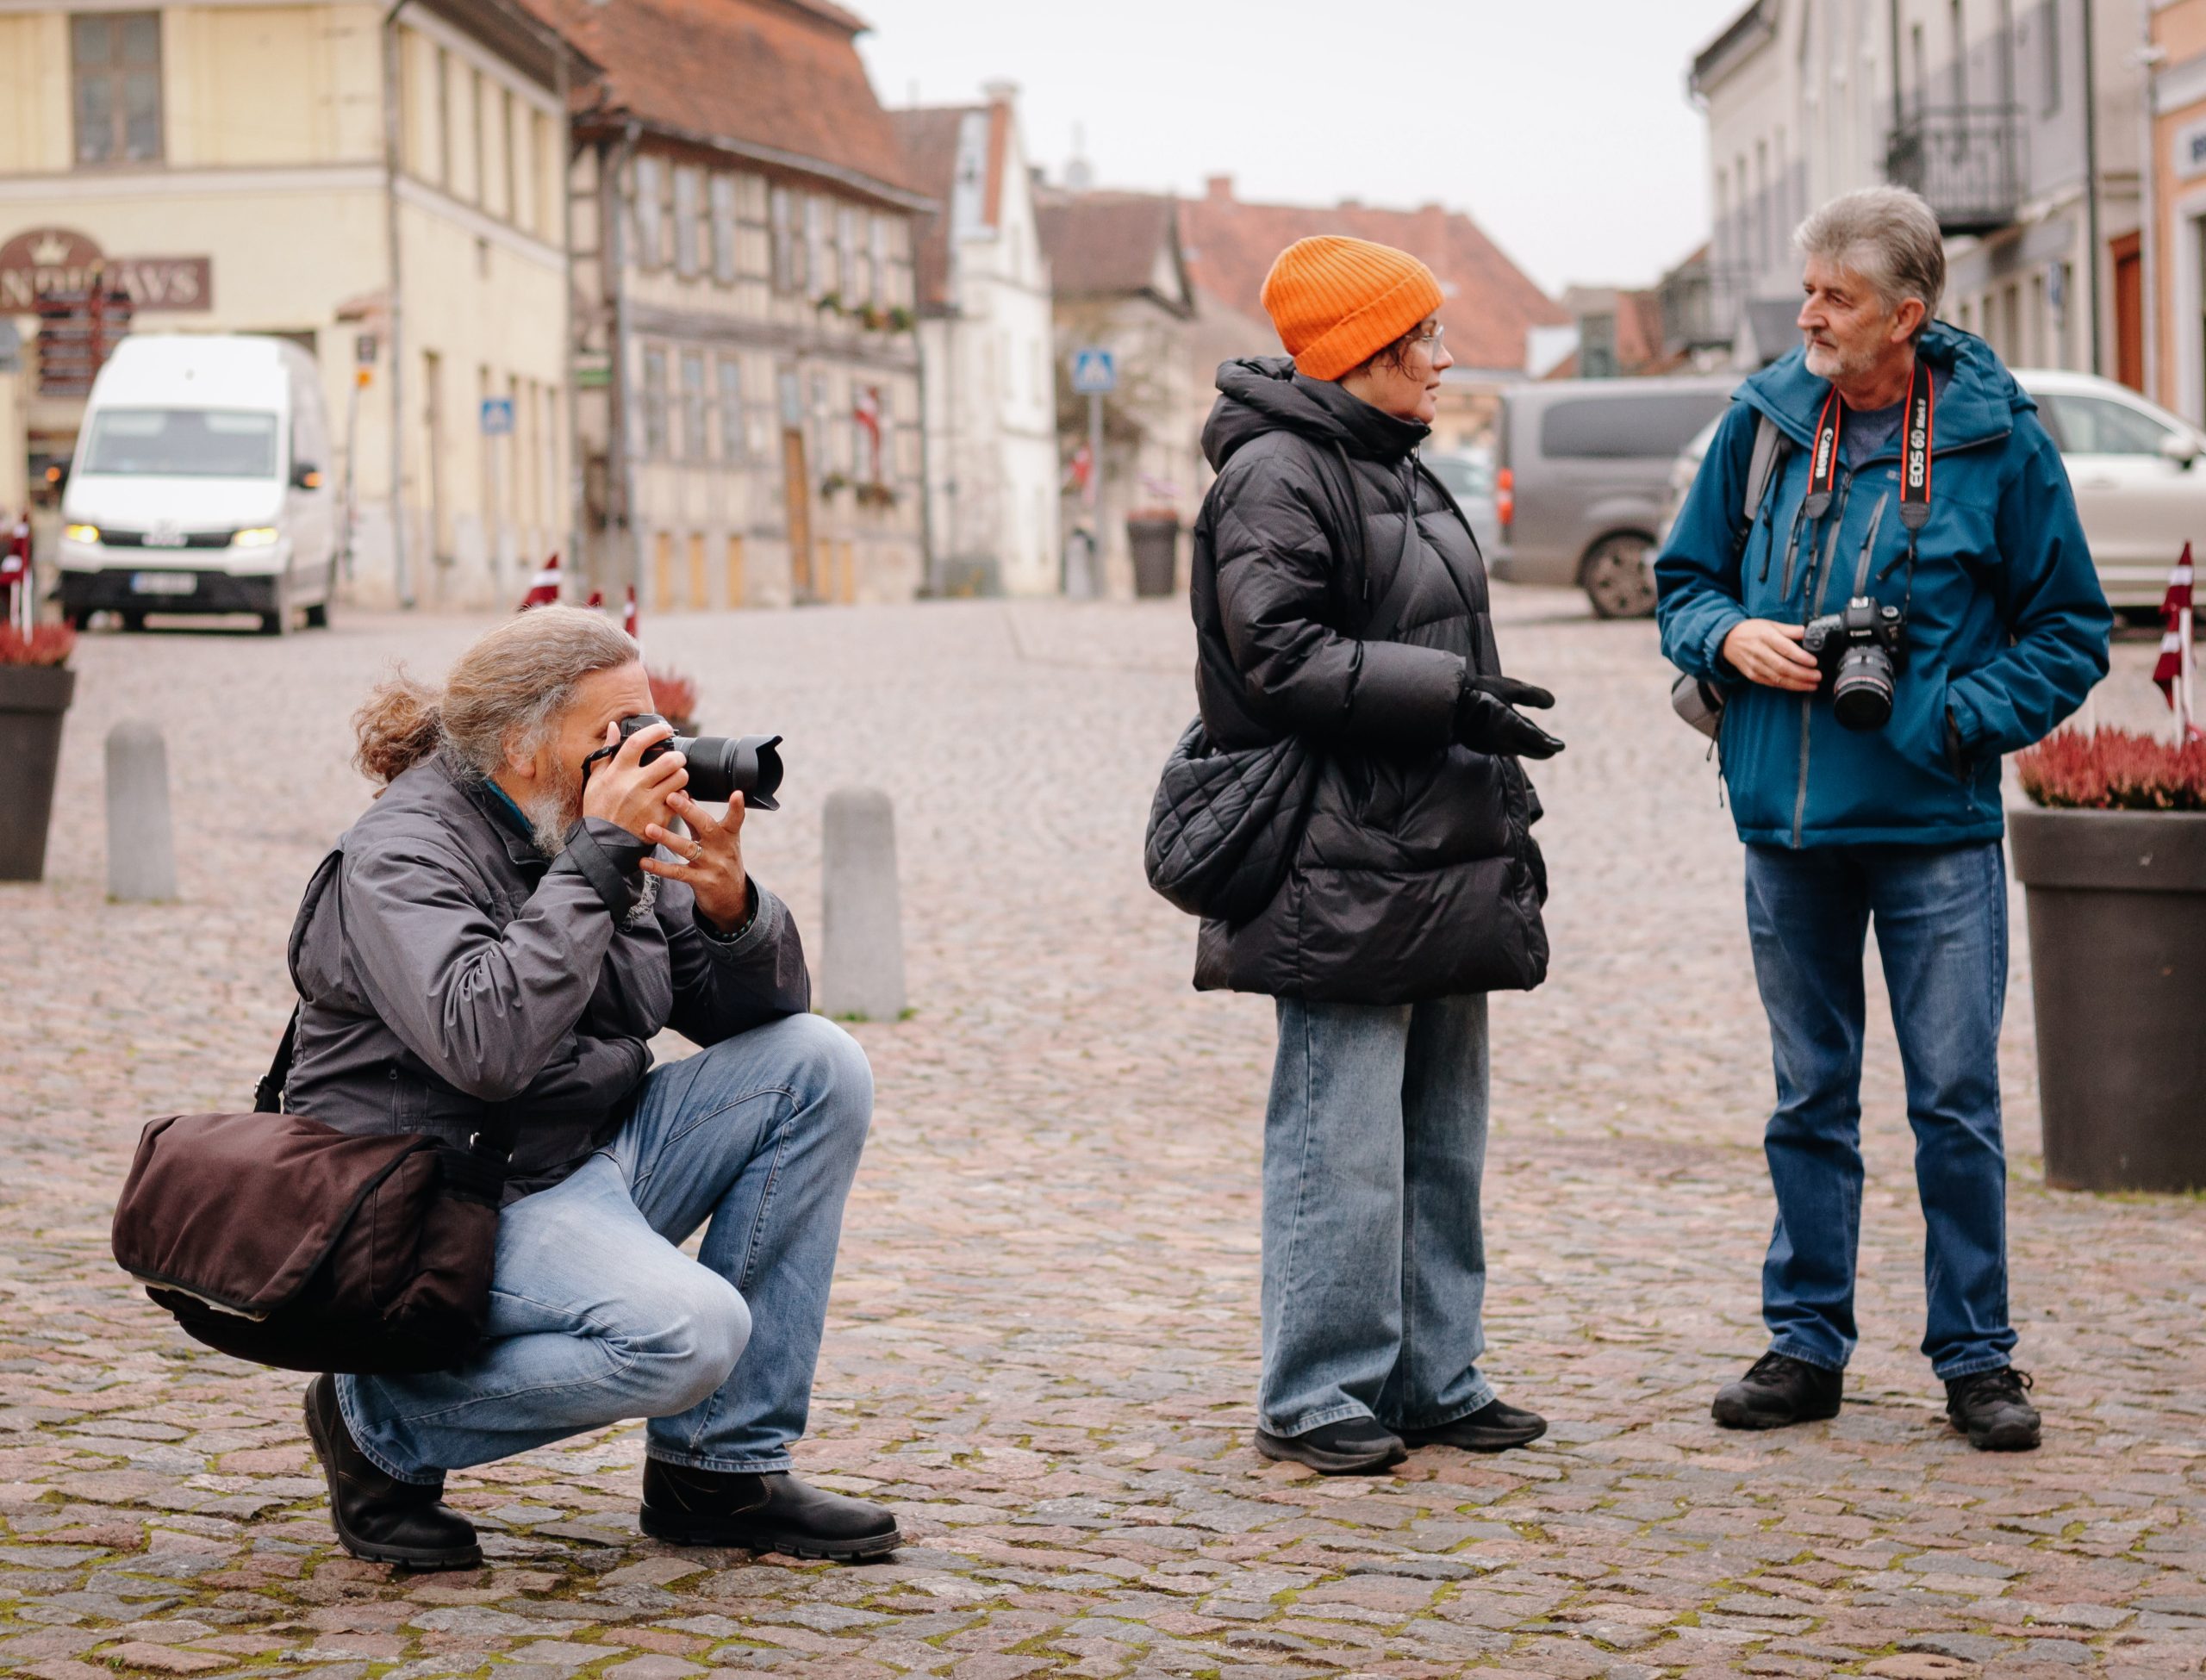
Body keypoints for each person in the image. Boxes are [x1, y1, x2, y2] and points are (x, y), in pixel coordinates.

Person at [284, 606, 895, 1566]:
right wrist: (596, 861)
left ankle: (716, 1471)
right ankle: (378, 1422)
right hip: (455, 1197)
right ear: (522, 746)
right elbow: (485, 1046)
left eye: (649, 724)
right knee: (692, 1333)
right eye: (616, 731)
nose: (647, 750)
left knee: (817, 1063)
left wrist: (731, 910)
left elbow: (750, 1019)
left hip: (584, 1152)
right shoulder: (400, 854)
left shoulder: (581, 822)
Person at [1656, 187, 2111, 1452]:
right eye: (1808, 289)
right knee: (1808, 1095)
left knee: (1954, 1100)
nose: (1809, 314)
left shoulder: (1994, 439)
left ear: (1905, 316)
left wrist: (1954, 715)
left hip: (1934, 828)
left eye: (1835, 297)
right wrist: (1728, 635)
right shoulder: (1761, 420)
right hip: (1785, 824)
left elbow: (2070, 630)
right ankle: (1805, 1344)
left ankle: (1976, 1357)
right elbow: (1680, 582)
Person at [1187, 236, 1562, 1476]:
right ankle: (1316, 1390)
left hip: (1442, 836)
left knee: (1442, 1135)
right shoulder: (1276, 475)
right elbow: (1278, 656)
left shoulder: (1398, 461)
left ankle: (1433, 1376)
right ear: (1363, 351)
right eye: (1425, 339)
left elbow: (1433, 637)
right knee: (1339, 1136)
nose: (1445, 358)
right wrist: (1450, 696)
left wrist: (1483, 737)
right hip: (1338, 854)